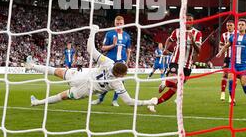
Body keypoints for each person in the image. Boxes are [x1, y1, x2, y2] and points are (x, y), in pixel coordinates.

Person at [26, 26, 157, 107]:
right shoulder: (117, 83)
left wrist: (93, 31)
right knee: (61, 96)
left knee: (56, 71)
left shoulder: (108, 62)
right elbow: (129, 102)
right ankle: (37, 102)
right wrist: (149, 101)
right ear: (120, 74)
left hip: (81, 77)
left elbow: (90, 49)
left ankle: (31, 65)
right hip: (86, 90)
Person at [147, 13, 202, 113]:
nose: (188, 21)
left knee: (175, 89)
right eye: (186, 19)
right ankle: (164, 82)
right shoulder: (177, 31)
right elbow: (170, 39)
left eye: (190, 19)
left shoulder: (197, 33)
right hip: (175, 61)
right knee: (171, 83)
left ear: (193, 21)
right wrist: (165, 48)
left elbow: (198, 51)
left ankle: (154, 102)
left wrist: (193, 41)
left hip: (188, 65)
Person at [91, 16, 132, 107]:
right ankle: (100, 99)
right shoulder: (109, 34)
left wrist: (127, 63)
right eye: (117, 23)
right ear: (114, 24)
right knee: (106, 81)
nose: (119, 25)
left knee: (120, 82)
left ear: (123, 24)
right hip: (110, 62)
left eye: (120, 23)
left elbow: (128, 50)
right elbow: (103, 48)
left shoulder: (127, 36)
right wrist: (113, 45)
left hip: (121, 63)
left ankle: (114, 100)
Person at [216, 18, 246, 105]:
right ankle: (232, 100)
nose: (240, 26)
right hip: (233, 63)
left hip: (243, 65)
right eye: (239, 24)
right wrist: (220, 52)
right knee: (231, 80)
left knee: (244, 83)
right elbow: (226, 46)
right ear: (237, 26)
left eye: (242, 24)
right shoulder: (233, 36)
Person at [219, 20, 234, 101]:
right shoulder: (224, 35)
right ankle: (222, 93)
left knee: (233, 77)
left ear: (234, 26)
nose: (229, 27)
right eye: (227, 25)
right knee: (225, 74)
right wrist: (223, 48)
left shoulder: (238, 34)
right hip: (227, 58)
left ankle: (231, 96)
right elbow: (220, 45)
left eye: (230, 25)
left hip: (236, 58)